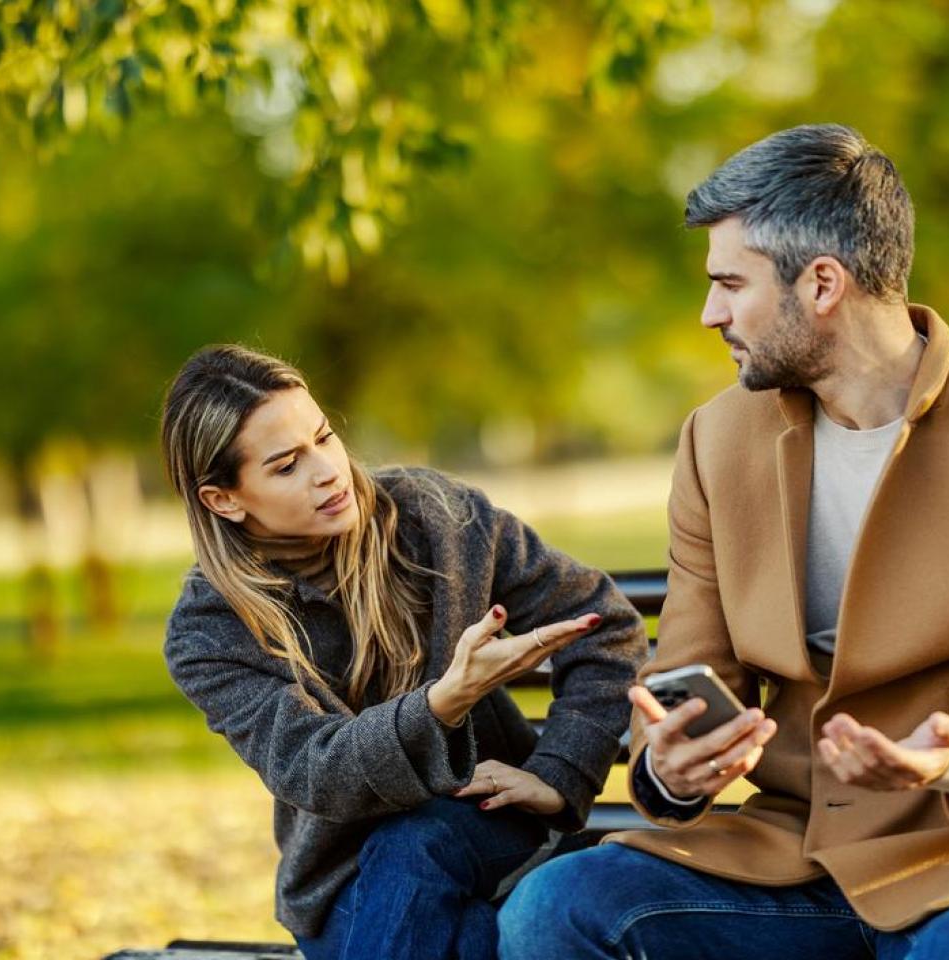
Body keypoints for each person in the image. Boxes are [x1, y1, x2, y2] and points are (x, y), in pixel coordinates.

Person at [499, 123, 949, 960]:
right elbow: (689, 679)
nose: (710, 314)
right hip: (789, 862)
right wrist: (671, 764)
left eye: (731, 284)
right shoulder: (715, 440)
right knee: (557, 908)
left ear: (822, 283)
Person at [159, 344, 646, 960]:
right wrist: (443, 703)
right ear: (223, 499)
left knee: (419, 842)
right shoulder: (210, 628)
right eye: (286, 466)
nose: (329, 471)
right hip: (345, 883)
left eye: (324, 438)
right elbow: (313, 769)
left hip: (497, 832)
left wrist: (561, 773)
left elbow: (606, 626)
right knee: (472, 938)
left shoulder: (435, 519)